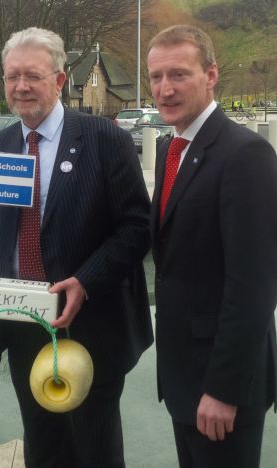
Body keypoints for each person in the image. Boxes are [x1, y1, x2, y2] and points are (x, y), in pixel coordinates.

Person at [0, 27, 152, 467]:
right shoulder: (0, 145)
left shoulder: (106, 141)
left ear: (61, 80)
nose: (21, 87)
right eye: (11, 77)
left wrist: (86, 280)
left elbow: (137, 228)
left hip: (90, 326)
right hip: (24, 326)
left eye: (33, 76)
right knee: (42, 449)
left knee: (94, 451)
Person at [147, 25, 277, 468]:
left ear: (211, 75)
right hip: (184, 378)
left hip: (221, 390)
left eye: (179, 75)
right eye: (156, 77)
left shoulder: (246, 155)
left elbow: (254, 288)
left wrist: (223, 389)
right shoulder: (173, 148)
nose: (165, 89)